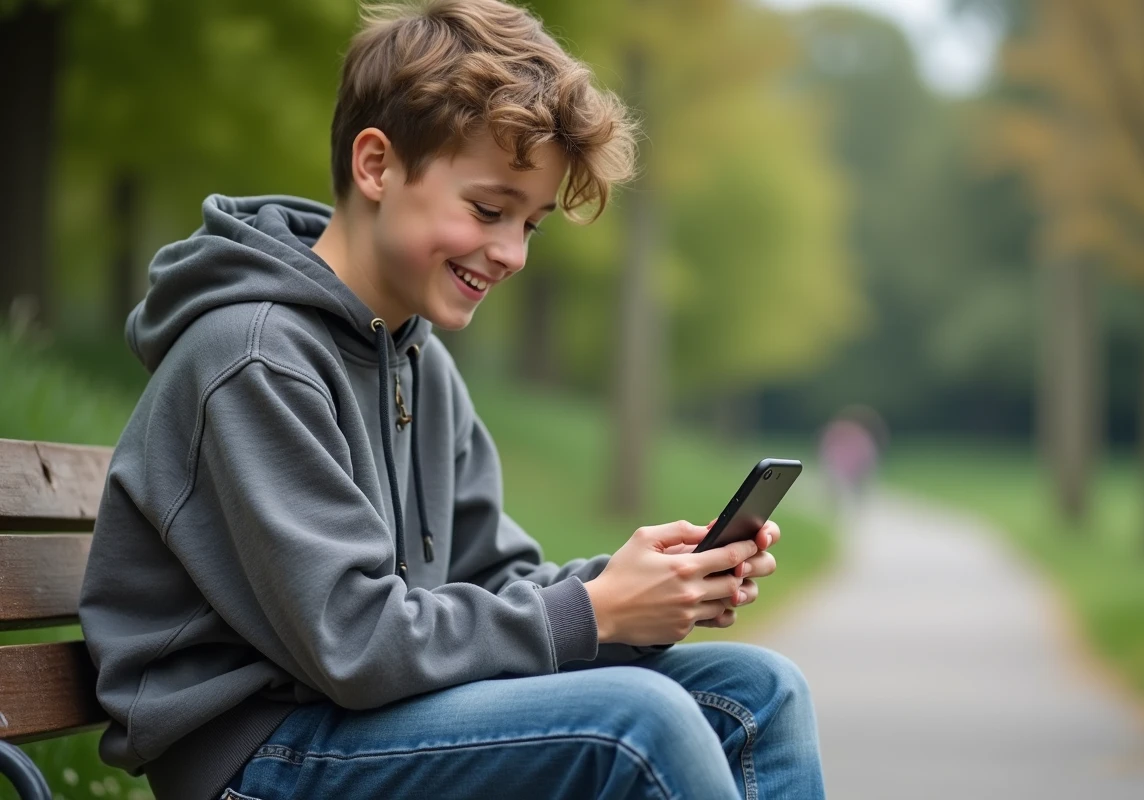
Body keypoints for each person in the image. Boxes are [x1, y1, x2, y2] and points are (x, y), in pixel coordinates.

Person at [79, 2, 824, 798]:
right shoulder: (253, 357)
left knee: (760, 693)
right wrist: (594, 612)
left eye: (531, 226)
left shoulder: (418, 365)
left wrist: (638, 589)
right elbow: (355, 641)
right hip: (258, 755)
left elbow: (495, 582)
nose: (510, 253)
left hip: (367, 719)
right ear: (376, 166)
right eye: (487, 210)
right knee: (639, 726)